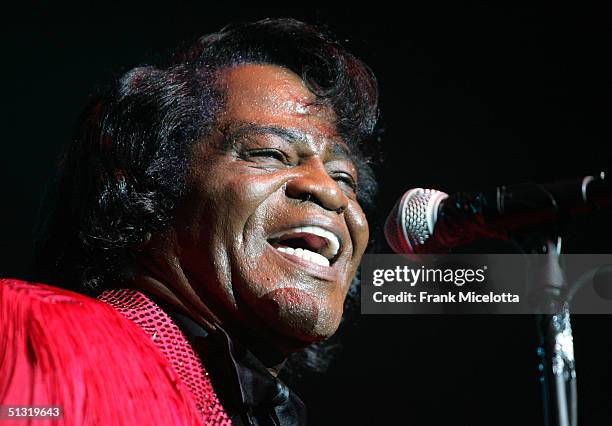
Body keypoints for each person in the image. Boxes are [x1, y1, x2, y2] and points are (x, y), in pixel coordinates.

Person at [0, 18, 379, 425]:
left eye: (344, 178)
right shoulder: (36, 331)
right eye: (270, 153)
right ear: (151, 188)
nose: (330, 191)